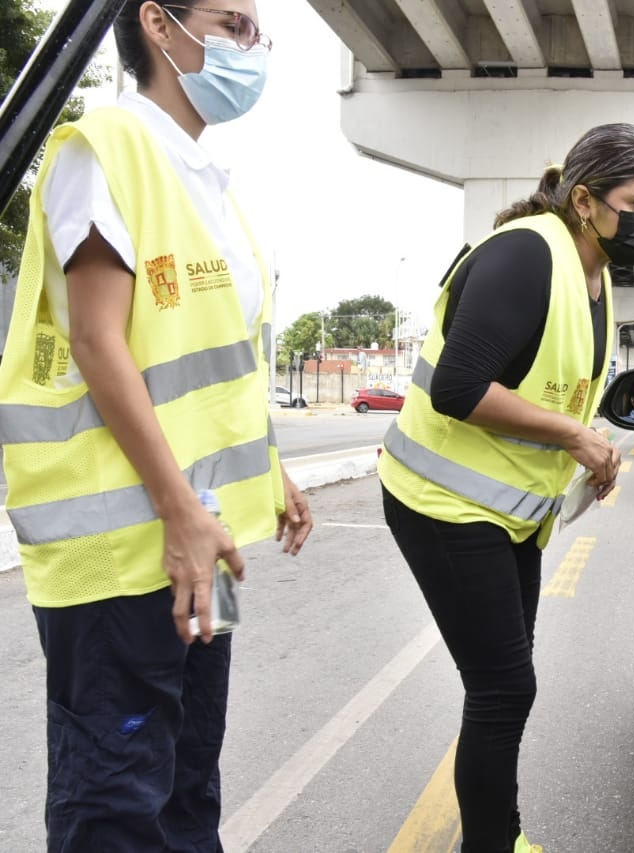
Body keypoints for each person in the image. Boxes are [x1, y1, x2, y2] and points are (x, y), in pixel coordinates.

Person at [0, 2, 313, 849]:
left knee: (186, 784)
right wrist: (179, 512)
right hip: (130, 547)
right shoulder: (106, 148)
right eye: (231, 22)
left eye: (256, 29)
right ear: (161, 26)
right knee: (116, 803)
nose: (251, 44)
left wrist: (271, 471)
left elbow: (215, 364)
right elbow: (101, 344)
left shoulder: (205, 181)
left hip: (204, 538)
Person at [378, 123, 634, 853]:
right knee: (504, 688)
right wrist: (574, 437)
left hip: (508, 516)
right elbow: (457, 387)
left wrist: (590, 441)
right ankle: (492, 844)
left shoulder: (595, 274)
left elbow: (554, 385)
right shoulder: (525, 255)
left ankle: (501, 836)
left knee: (505, 687)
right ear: (585, 198)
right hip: (440, 503)